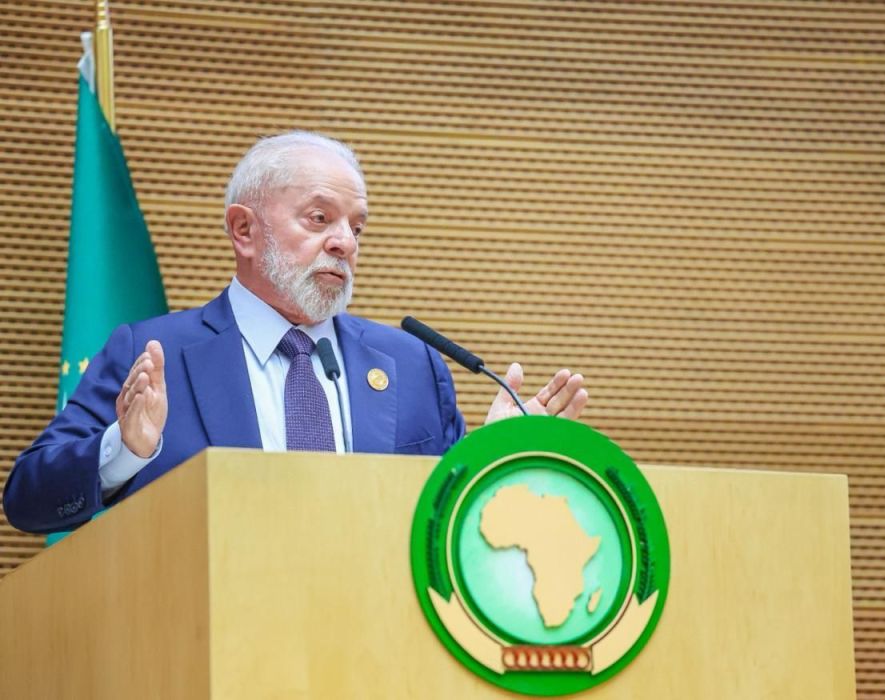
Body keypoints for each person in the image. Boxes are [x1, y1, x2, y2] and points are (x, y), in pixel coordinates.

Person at [4, 131, 588, 534]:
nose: (346, 242)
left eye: (356, 226)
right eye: (319, 218)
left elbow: (446, 527)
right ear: (244, 231)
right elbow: (28, 499)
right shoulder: (156, 354)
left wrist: (490, 460)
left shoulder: (411, 365)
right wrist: (124, 450)